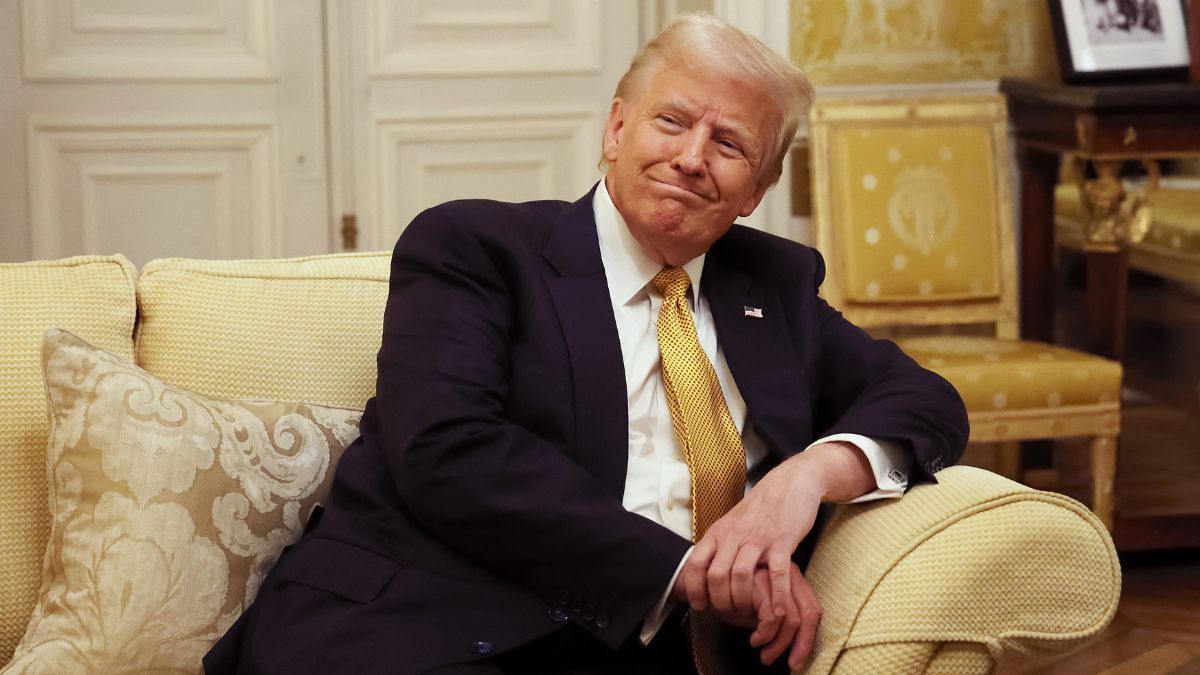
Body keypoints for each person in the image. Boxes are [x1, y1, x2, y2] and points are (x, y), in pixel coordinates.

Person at [205, 14, 967, 675]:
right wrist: (690, 572)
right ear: (616, 130)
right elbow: (447, 449)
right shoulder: (477, 248)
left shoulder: (774, 285)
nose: (692, 157)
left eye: (730, 143)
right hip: (419, 626)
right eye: (672, 121)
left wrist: (805, 478)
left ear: (758, 189)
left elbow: (927, 401)